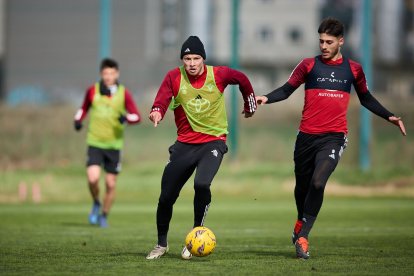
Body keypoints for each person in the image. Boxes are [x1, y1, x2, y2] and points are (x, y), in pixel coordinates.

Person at [255, 18, 406, 259]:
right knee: (303, 187)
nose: (323, 46)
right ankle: (300, 220)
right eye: (321, 42)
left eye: (329, 42)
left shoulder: (353, 69)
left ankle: (303, 236)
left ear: (340, 41)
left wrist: (389, 116)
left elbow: (366, 98)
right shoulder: (308, 65)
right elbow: (286, 90)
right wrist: (265, 98)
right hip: (306, 137)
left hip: (334, 137)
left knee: (318, 182)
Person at [146, 36, 257, 260]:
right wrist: (157, 110)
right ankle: (161, 244)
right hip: (184, 145)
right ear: (182, 60)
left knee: (202, 183)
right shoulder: (174, 77)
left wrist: (249, 103)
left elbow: (242, 79)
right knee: (166, 196)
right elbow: (162, 100)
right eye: (187, 58)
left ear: (203, 59)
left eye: (196, 58)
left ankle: (196, 235)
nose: (192, 63)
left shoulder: (219, 74)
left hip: (213, 142)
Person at [73, 58, 141, 228]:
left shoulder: (124, 93)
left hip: (114, 146)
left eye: (111, 73)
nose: (108, 76)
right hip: (95, 142)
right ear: (101, 74)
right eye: (105, 73)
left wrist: (125, 117)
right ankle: (96, 202)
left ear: (117, 74)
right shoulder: (92, 91)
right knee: (93, 178)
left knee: (110, 184)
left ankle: (104, 215)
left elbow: (137, 116)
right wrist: (78, 120)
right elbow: (83, 108)